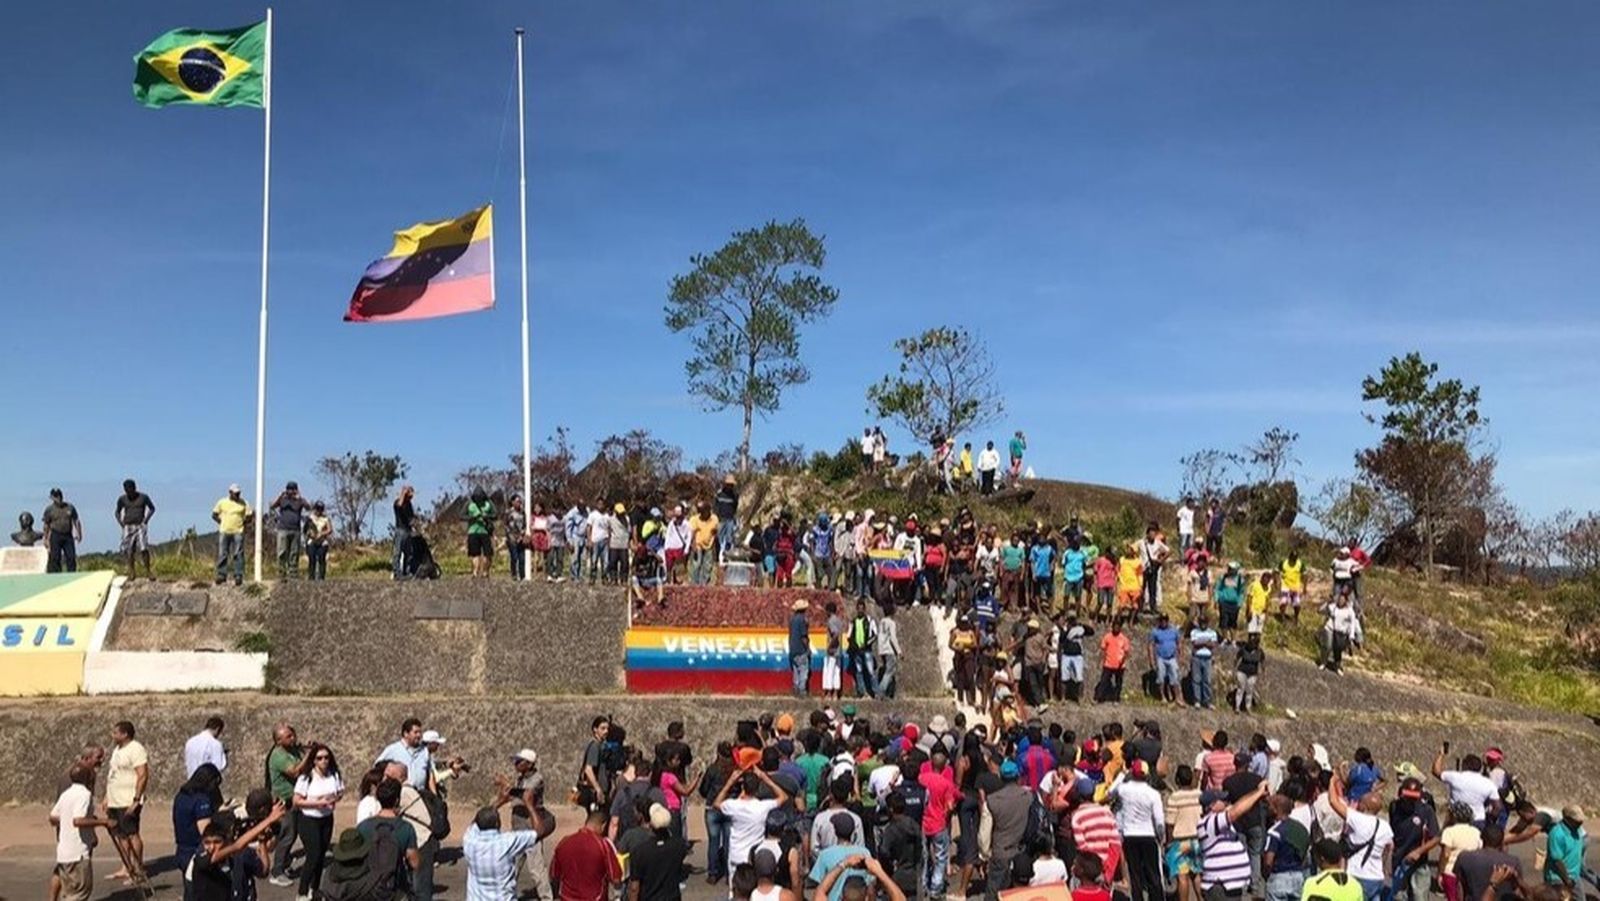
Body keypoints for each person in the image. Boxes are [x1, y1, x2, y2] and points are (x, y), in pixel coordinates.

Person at [188, 799, 289, 901]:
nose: (211, 847)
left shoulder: (241, 855)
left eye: (217, 842)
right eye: (207, 842)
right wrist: (269, 819)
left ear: (227, 840)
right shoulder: (201, 859)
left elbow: (263, 871)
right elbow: (237, 845)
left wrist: (261, 842)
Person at [1328, 765, 1394, 901]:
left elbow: (1333, 801)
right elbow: (1390, 846)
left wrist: (1332, 781)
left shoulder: (1358, 819)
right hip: (1377, 877)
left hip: (1358, 874)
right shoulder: (1385, 826)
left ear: (1364, 806)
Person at [463, 803, 555, 901]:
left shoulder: (470, 841)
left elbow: (474, 824)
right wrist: (530, 805)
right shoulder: (507, 842)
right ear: (498, 824)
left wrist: (500, 800)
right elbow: (540, 831)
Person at [715, 768, 790, 883]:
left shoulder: (733, 805)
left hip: (736, 854)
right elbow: (783, 797)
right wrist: (766, 779)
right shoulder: (762, 807)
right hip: (754, 856)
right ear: (758, 788)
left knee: (735, 890)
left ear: (743, 787)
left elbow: (717, 803)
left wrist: (730, 782)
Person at [1198, 780, 1268, 901]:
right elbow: (1236, 811)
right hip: (1220, 887)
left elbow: (1237, 805)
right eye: (1222, 800)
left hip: (1228, 887)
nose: (1226, 802)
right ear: (1212, 805)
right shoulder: (1210, 822)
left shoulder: (1218, 821)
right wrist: (1259, 792)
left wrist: (1258, 792)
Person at [293, 742, 345, 900]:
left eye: (326, 758)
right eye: (319, 758)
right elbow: (297, 801)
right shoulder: (306, 777)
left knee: (321, 855)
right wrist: (318, 803)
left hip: (326, 818)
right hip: (309, 819)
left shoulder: (333, 774)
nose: (324, 761)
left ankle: (315, 888)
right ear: (314, 760)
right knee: (313, 855)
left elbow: (340, 792)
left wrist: (332, 799)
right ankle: (302, 892)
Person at [52, 765, 110, 901]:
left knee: (68, 893)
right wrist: (103, 822)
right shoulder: (84, 794)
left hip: (64, 854)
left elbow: (53, 817)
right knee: (79, 893)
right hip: (77, 854)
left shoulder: (66, 794)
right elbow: (78, 821)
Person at [1114, 759, 1167, 901]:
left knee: (1135, 874)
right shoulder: (1153, 794)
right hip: (1148, 835)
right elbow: (1159, 821)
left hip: (1130, 835)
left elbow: (1110, 791)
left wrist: (1121, 775)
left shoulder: (1123, 789)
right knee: (1153, 874)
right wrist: (1161, 837)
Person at [105, 720, 150, 883]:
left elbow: (143, 774)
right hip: (115, 800)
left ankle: (139, 870)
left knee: (132, 834)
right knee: (121, 835)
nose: (113, 735)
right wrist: (106, 797)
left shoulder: (136, 749)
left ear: (124, 734)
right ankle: (126, 867)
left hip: (128, 800)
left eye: (115, 733)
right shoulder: (117, 750)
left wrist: (136, 799)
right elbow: (113, 774)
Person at [173, 762, 224, 891]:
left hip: (181, 849)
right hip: (195, 851)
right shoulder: (201, 800)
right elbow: (206, 831)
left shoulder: (181, 796)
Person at [266, 722, 305, 886]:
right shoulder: (278, 755)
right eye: (288, 736)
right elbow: (295, 771)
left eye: (292, 734)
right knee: (287, 836)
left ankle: (284, 863)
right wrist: (309, 757)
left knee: (292, 833)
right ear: (278, 741)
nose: (293, 738)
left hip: (294, 800)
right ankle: (277, 871)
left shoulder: (292, 750)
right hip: (284, 802)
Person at [1432, 746, 1499, 826]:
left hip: (1457, 819)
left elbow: (1436, 771)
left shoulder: (1455, 777)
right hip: (1478, 820)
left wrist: (1441, 754)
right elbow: (1497, 806)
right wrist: (1490, 818)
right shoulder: (1488, 783)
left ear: (1464, 765)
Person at [1262, 794, 1310, 901]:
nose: (1267, 808)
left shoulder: (1274, 832)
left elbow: (1268, 861)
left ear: (1276, 809)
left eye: (1269, 806)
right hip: (1298, 877)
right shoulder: (1301, 829)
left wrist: (1266, 875)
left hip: (1279, 878)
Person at [1454, 825, 1520, 901]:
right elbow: (1517, 890)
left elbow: (1459, 886)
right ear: (1502, 841)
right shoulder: (1513, 861)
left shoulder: (1465, 857)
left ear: (1482, 838)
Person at [377, 718, 437, 792]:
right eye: (415, 732)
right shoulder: (393, 750)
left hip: (420, 795)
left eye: (420, 732)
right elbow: (377, 768)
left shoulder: (424, 751)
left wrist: (435, 796)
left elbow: (430, 775)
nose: (419, 735)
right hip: (400, 795)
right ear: (406, 734)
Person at [114, 479, 156, 579]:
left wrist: (146, 520)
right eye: (126, 490)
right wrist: (121, 523)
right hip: (128, 526)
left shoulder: (143, 497)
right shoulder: (122, 499)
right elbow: (117, 512)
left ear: (134, 488)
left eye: (130, 489)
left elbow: (152, 508)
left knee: (143, 548)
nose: (128, 492)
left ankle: (148, 571)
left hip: (140, 524)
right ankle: (132, 572)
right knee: (129, 549)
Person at [1542, 806, 1586, 900]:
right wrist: (1567, 880)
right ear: (1567, 819)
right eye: (1577, 821)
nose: (1580, 823)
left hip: (1574, 876)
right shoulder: (1557, 833)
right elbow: (1557, 861)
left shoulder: (1577, 830)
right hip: (1558, 878)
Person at [211, 485, 251, 586]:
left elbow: (249, 515)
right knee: (223, 553)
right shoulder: (222, 502)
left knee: (238, 554)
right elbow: (214, 514)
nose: (237, 495)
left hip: (238, 531)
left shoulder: (244, 503)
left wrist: (243, 523)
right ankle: (221, 574)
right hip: (224, 531)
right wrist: (222, 522)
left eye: (238, 493)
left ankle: (238, 575)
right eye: (235, 493)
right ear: (230, 492)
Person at [42, 488, 83, 573]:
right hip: (56, 535)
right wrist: (46, 539)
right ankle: (57, 575)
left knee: (71, 557)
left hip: (67, 535)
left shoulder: (70, 507)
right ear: (52, 498)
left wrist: (79, 533)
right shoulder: (49, 510)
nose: (59, 498)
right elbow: (46, 525)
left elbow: (76, 520)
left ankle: (71, 574)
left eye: (60, 496)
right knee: (55, 558)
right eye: (56, 496)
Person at [845, 600, 878, 698]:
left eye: (862, 609)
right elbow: (849, 635)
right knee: (859, 672)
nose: (860, 611)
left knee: (871, 671)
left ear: (864, 609)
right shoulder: (853, 622)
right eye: (858, 609)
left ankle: (876, 692)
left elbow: (875, 634)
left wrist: (867, 643)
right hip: (856, 651)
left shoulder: (869, 621)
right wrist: (853, 644)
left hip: (867, 650)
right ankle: (862, 692)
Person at [1151, 613, 1182, 705]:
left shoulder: (1174, 631)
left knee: (1175, 678)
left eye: (1165, 620)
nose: (1163, 622)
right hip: (1161, 658)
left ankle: (1177, 698)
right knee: (1161, 678)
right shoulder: (1155, 631)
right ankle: (1163, 697)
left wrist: (1180, 657)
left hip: (1172, 658)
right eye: (1162, 620)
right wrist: (1152, 659)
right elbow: (1150, 645)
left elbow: (1178, 643)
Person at [1096, 618, 1130, 703]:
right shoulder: (1107, 636)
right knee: (1103, 681)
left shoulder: (1124, 639)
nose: (1116, 628)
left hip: (1119, 664)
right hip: (1108, 663)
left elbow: (1126, 652)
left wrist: (1123, 661)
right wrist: (1100, 661)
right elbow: (1103, 649)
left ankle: (1116, 699)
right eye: (1115, 626)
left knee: (1118, 683)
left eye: (1118, 626)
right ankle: (1099, 698)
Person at [465, 488, 497, 579]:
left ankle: (485, 572)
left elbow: (495, 514)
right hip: (473, 531)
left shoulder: (488, 503)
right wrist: (473, 517)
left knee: (488, 553)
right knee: (475, 553)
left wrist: (487, 516)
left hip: (485, 531)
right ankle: (475, 572)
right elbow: (462, 515)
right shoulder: (469, 503)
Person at [1234, 633, 1265, 713]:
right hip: (1242, 671)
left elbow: (1262, 662)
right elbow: (1237, 658)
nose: (1252, 644)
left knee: (1249, 690)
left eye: (1254, 643)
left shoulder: (1260, 652)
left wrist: (1263, 673)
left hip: (1253, 674)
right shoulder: (1244, 649)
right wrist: (1235, 669)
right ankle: (1237, 707)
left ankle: (1248, 707)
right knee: (1241, 689)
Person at [877, 603, 902, 699]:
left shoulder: (881, 622)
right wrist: (899, 651)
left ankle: (889, 693)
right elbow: (893, 638)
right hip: (889, 650)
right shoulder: (891, 623)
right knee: (889, 671)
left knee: (888, 671)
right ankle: (881, 692)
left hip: (882, 649)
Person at [393, 485, 417, 580]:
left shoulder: (409, 505)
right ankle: (397, 573)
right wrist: (403, 493)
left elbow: (411, 517)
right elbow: (399, 506)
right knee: (397, 552)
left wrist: (414, 525)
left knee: (409, 553)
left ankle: (406, 571)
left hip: (408, 531)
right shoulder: (398, 503)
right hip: (400, 530)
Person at [305, 501, 333, 581]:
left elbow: (330, 529)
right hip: (312, 541)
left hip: (322, 542)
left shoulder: (325, 519)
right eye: (317, 509)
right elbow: (306, 530)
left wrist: (322, 533)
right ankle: (311, 577)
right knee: (312, 558)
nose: (319, 511)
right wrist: (310, 534)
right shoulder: (310, 518)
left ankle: (321, 577)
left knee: (321, 558)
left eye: (321, 509)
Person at [788, 600, 811, 697]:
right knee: (803, 671)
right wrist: (808, 648)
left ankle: (796, 689)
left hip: (792, 649)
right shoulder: (802, 620)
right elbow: (803, 637)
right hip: (801, 649)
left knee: (796, 672)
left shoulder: (792, 620)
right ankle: (802, 691)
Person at [715, 476, 740, 561]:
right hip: (721, 519)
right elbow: (716, 506)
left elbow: (735, 507)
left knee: (729, 538)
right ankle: (721, 556)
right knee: (720, 538)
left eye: (731, 485)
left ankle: (729, 555)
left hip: (730, 519)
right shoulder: (719, 494)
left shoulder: (735, 495)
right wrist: (717, 517)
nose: (730, 486)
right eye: (728, 485)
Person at [506, 495, 529, 581]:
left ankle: (522, 576)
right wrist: (511, 537)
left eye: (520, 501)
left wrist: (522, 534)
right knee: (514, 557)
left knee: (522, 558)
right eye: (517, 501)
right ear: (512, 502)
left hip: (521, 538)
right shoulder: (509, 512)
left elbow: (524, 524)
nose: (519, 503)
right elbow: (507, 526)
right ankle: (514, 574)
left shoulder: (522, 512)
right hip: (512, 538)